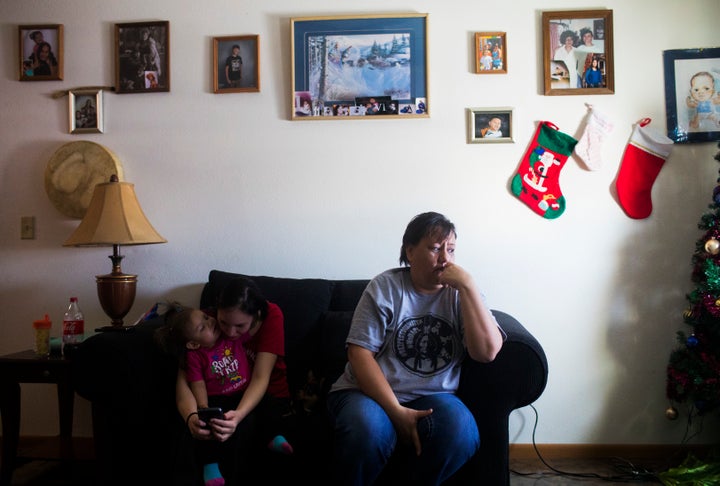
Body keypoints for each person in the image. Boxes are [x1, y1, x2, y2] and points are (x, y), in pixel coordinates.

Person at [327, 211, 505, 485]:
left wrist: (468, 286)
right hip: (365, 393)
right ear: (410, 251)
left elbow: (487, 352)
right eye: (435, 248)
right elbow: (359, 353)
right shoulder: (385, 287)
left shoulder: (462, 292)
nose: (445, 258)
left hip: (435, 395)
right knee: (369, 430)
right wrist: (396, 411)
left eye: (452, 250)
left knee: (461, 432)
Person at [175, 278, 293, 482]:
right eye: (224, 323)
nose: (230, 333)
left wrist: (238, 416)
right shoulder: (207, 322)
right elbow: (186, 382)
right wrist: (192, 417)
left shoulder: (271, 316)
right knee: (205, 429)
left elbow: (260, 377)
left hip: (260, 392)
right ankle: (210, 468)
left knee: (239, 430)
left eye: (240, 326)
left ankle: (272, 436)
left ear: (256, 316)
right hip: (219, 394)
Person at [156, 306, 253, 486]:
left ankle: (274, 435)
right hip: (217, 398)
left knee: (268, 402)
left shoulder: (229, 334)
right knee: (208, 427)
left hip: (243, 393)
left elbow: (252, 327)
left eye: (206, 318)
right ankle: (210, 465)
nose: (211, 322)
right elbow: (198, 383)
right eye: (202, 327)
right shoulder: (195, 356)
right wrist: (202, 406)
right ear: (193, 344)